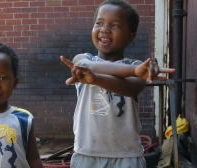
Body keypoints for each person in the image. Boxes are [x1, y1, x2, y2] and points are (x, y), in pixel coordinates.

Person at [60, 0, 175, 168]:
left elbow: (131, 88)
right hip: (87, 154)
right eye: (99, 23)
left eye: (115, 25)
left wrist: (101, 78)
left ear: (131, 36)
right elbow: (89, 67)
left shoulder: (137, 67)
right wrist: (133, 70)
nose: (105, 29)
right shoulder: (83, 59)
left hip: (127, 156)